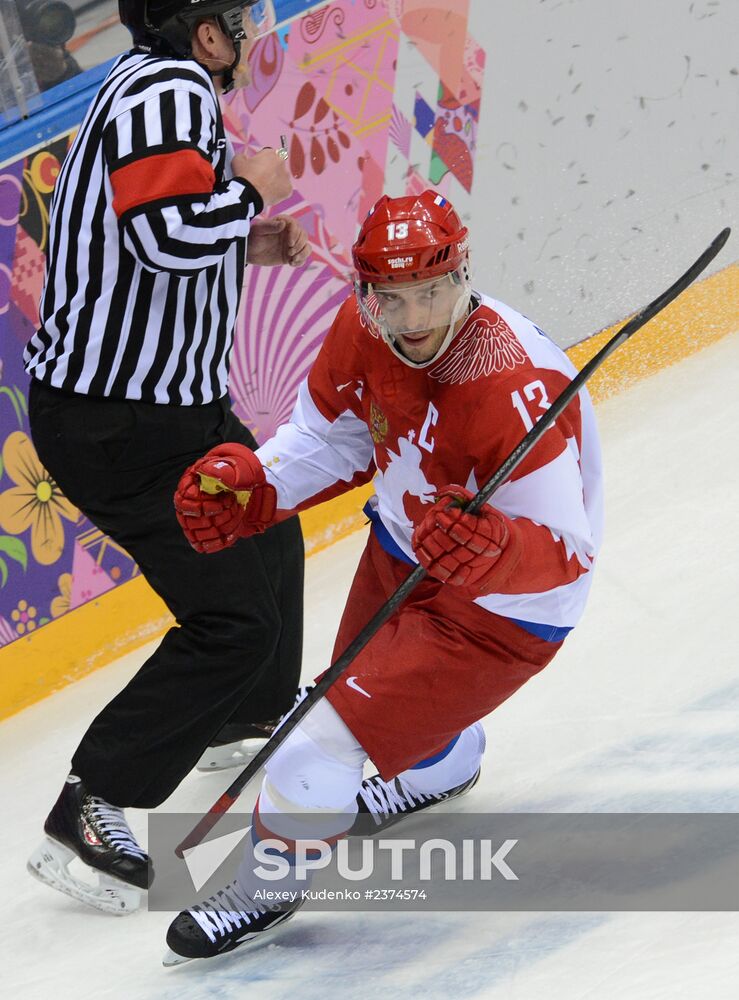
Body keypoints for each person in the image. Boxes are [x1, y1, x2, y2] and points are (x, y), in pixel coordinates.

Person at [163, 189, 604, 963]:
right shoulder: (360, 330)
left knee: (310, 740)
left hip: (501, 610)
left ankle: (266, 888)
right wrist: (257, 487)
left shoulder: (513, 382)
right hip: (402, 552)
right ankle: (443, 762)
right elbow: (330, 438)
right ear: (366, 292)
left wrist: (491, 549)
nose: (413, 320)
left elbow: (565, 551)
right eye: (391, 298)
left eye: (430, 293)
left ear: (462, 275)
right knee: (373, 720)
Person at [24, 0, 310, 915]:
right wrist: (255, 192)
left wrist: (245, 240)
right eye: (233, 15)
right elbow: (166, 233)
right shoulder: (169, 90)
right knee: (230, 620)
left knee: (267, 522)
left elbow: (159, 236)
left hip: (168, 410)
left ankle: (244, 716)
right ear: (203, 33)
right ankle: (92, 804)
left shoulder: (147, 90)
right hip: (122, 424)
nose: (248, 28)